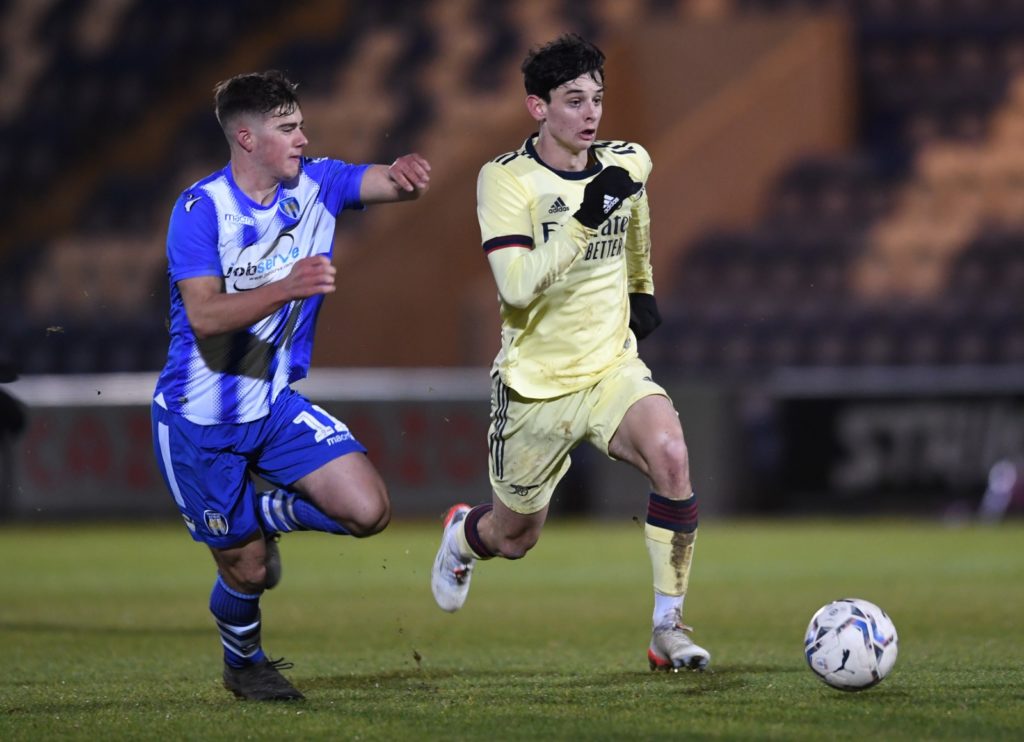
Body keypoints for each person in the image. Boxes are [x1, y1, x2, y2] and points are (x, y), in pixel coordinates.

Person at [430, 34, 710, 672]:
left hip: (611, 366)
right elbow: (517, 285)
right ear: (538, 108)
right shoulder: (505, 180)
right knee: (514, 536)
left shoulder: (624, 164)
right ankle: (461, 537)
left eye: (598, 99)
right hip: (535, 385)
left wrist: (641, 286)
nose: (591, 113)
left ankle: (668, 626)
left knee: (671, 455)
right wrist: (586, 216)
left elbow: (635, 210)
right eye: (574, 100)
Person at [151, 70, 430, 701]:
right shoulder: (200, 211)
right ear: (246, 138)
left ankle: (265, 514)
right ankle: (243, 663)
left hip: (271, 403)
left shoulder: (317, 184)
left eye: (301, 124)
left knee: (369, 511)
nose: (303, 137)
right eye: (288, 128)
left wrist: (406, 171)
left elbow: (385, 181)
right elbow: (204, 316)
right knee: (246, 570)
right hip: (201, 422)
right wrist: (287, 286)